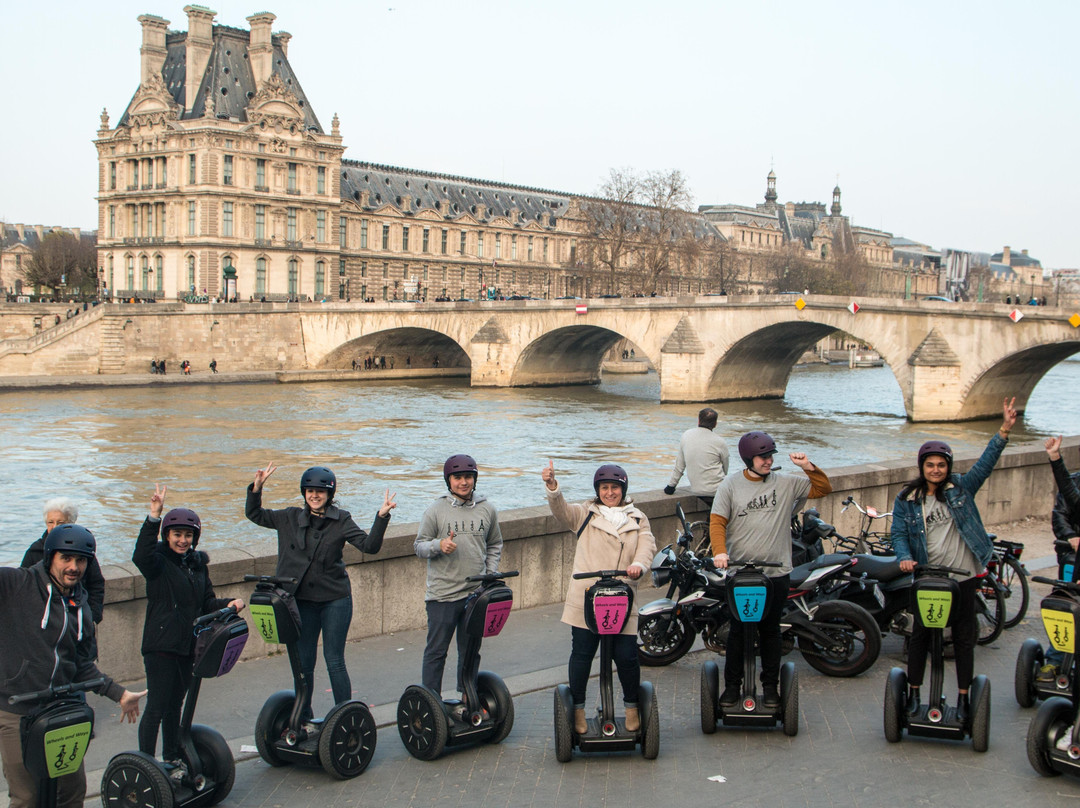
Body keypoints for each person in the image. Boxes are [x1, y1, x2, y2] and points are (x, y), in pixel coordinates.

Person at [891, 397, 1018, 723]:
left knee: (963, 638)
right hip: (928, 578)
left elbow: (985, 465)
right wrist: (904, 557)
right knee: (920, 636)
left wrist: (1003, 431)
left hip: (964, 577)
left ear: (948, 467)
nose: (936, 470)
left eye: (941, 465)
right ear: (922, 467)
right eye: (930, 465)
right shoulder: (908, 499)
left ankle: (963, 698)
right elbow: (899, 535)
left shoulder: (961, 488)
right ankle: (915, 692)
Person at [0, 525, 146, 808]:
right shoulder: (17, 584)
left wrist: (118, 693)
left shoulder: (80, 604)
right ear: (50, 557)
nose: (73, 567)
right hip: (15, 709)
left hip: (59, 709)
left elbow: (81, 663)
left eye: (80, 560)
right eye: (65, 558)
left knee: (72, 791)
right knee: (26, 797)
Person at [246, 463, 395, 718]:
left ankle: (344, 715)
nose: (315, 495)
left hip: (334, 600)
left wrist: (381, 517)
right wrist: (256, 488)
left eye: (320, 491)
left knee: (334, 659)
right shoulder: (289, 517)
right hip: (301, 601)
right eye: (310, 490)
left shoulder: (341, 520)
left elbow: (369, 547)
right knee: (303, 663)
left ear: (330, 494)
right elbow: (255, 514)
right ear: (304, 493)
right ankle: (302, 717)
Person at [710, 431, 832, 708]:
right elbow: (717, 522)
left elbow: (823, 489)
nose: (768, 461)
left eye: (770, 456)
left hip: (775, 572)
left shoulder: (786, 483)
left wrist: (807, 467)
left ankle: (770, 687)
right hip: (740, 573)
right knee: (739, 631)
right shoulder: (729, 486)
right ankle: (731, 686)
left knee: (770, 631)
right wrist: (720, 552)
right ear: (748, 459)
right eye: (763, 457)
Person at [133, 484, 245, 765]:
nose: (182, 540)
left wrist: (230, 603)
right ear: (167, 536)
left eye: (187, 535)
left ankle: (171, 758)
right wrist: (153, 517)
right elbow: (141, 556)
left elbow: (207, 602)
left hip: (188, 646)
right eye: (177, 534)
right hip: (161, 646)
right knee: (157, 707)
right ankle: (146, 764)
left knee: (175, 707)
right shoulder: (158, 564)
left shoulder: (197, 565)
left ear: (194, 537)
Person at [543, 461, 655, 733]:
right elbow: (562, 512)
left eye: (614, 487)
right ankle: (578, 709)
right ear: (597, 490)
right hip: (587, 599)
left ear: (623, 489)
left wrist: (639, 566)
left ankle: (631, 707)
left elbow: (647, 546)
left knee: (627, 656)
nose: (609, 492)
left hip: (622, 597)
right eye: (604, 488)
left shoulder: (638, 517)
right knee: (582, 654)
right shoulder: (585, 514)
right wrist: (552, 487)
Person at [414, 454, 502, 697]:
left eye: (468, 477)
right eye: (458, 478)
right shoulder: (435, 510)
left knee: (471, 651)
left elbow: (495, 543)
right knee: (436, 653)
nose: (463, 482)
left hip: (475, 594)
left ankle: (468, 698)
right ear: (448, 480)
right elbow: (419, 546)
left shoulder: (487, 509)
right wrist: (438, 546)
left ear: (474, 479)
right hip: (442, 595)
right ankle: (431, 703)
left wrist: (490, 573)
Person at [21, 498, 105, 628]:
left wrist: (91, 617)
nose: (54, 527)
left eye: (60, 522)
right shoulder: (35, 551)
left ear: (71, 523)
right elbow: (23, 587)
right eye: (50, 522)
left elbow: (96, 584)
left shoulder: (83, 550)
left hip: (77, 620)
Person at [1040, 436, 1080, 680]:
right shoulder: (1075, 484)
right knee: (1065, 605)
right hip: (1072, 558)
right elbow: (1066, 499)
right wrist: (1055, 458)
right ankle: (1055, 659)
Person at [663, 407, 730, 508]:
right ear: (715, 424)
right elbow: (725, 469)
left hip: (697, 490)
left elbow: (679, 466)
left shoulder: (686, 436)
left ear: (698, 420)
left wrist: (671, 487)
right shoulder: (720, 441)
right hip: (717, 491)